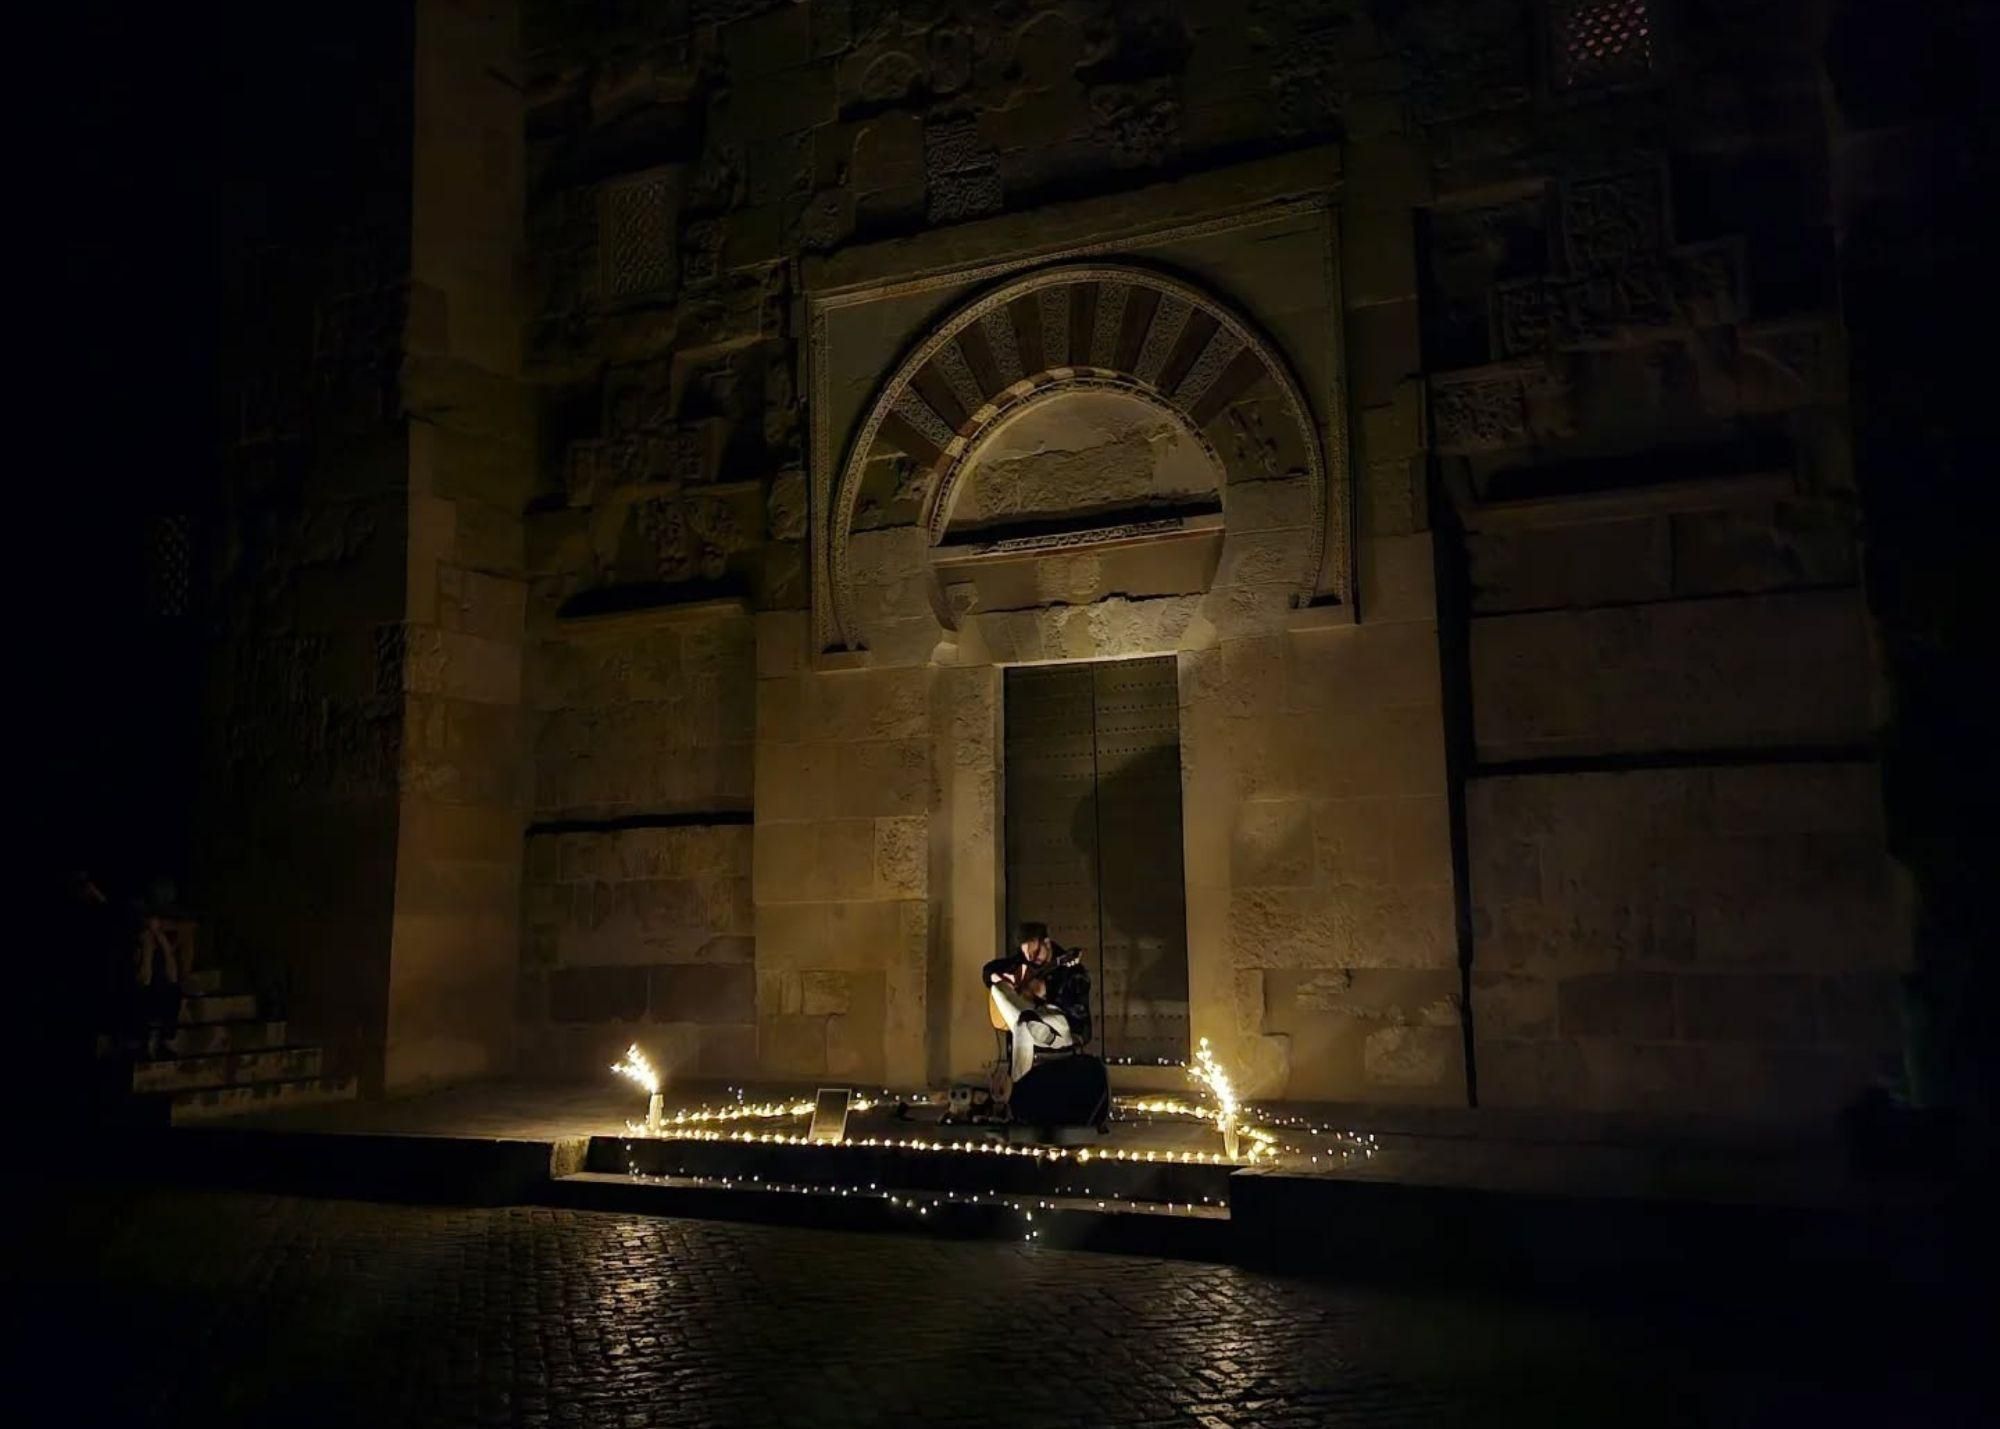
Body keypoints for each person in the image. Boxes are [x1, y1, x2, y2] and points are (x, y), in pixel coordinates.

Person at [983, 921, 1091, 1086]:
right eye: (1026, 954)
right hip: (1030, 1015)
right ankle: (1031, 1026)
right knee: (998, 989)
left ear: (1046, 943)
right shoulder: (1026, 960)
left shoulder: (1074, 972)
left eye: (1035, 952)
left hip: (1060, 1027)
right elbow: (989, 969)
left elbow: (1077, 1015)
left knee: (1022, 1025)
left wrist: (1048, 994)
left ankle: (1018, 1088)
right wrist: (1001, 978)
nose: (1031, 959)